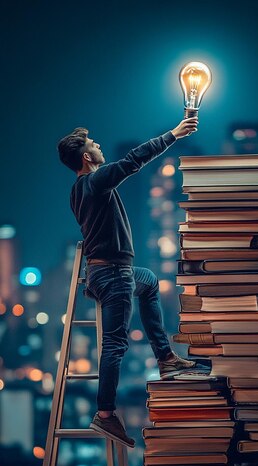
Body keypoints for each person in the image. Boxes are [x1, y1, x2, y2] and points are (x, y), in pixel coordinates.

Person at [57, 117, 206, 448]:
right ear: (85, 157)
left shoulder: (77, 190)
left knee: (150, 281)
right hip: (113, 274)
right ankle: (106, 415)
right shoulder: (94, 182)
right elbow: (133, 161)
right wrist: (173, 134)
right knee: (115, 345)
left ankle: (165, 357)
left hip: (106, 273)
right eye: (93, 145)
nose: (98, 146)